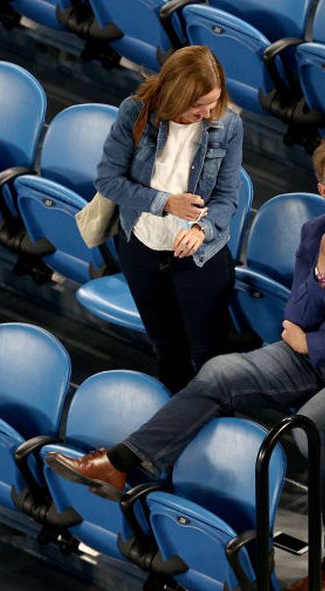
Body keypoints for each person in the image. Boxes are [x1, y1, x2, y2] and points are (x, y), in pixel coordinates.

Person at [49, 135, 325, 591]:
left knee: (312, 426)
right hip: (322, 352)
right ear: (323, 192)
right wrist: (323, 271)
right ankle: (123, 463)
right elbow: (299, 309)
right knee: (219, 373)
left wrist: (310, 342)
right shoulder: (317, 234)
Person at [95, 45, 244, 392]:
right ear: (175, 95)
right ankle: (175, 428)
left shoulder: (228, 124)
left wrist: (200, 228)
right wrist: (165, 203)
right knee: (167, 349)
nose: (207, 113)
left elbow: (226, 198)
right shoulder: (135, 113)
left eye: (214, 101)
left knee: (210, 355)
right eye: (198, 105)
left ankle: (214, 421)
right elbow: (108, 180)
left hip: (201, 256)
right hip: (141, 249)